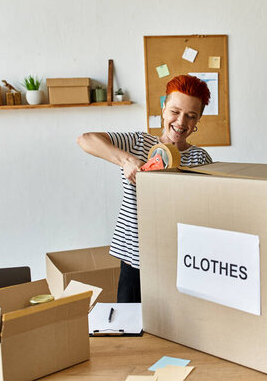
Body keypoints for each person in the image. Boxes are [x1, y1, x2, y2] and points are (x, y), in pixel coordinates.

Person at [77, 75, 213, 303]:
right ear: (163, 109)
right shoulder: (138, 143)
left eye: (191, 116)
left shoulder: (201, 158)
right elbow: (86, 139)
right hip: (133, 259)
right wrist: (125, 160)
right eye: (175, 112)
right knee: (132, 327)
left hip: (178, 260)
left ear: (198, 119)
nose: (181, 122)